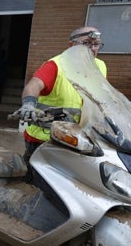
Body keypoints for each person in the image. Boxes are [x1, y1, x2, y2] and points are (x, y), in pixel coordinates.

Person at [13, 26, 107, 163]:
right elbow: (33, 85)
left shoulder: (100, 66)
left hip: (78, 138)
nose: (92, 48)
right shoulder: (55, 65)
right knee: (34, 180)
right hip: (45, 139)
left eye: (96, 44)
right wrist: (28, 104)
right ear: (71, 45)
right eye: (86, 43)